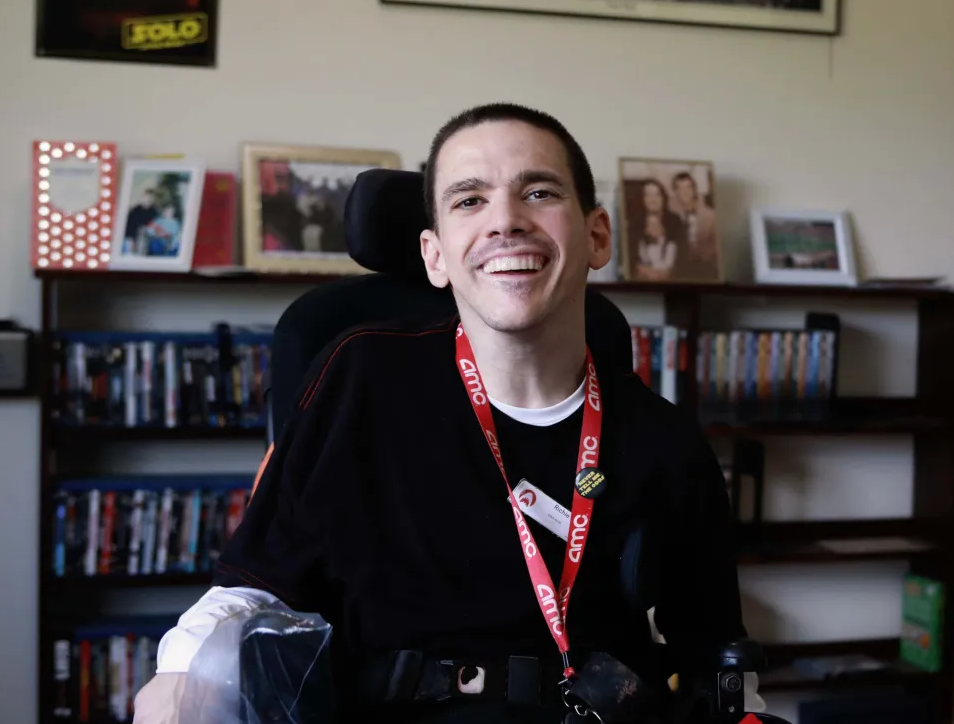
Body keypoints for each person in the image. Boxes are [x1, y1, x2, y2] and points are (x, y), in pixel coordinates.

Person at [133, 103, 751, 724]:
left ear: (596, 236)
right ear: (433, 255)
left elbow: (717, 658)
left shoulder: (666, 441)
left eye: (538, 192)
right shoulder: (361, 378)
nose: (505, 221)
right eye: (469, 200)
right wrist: (181, 676)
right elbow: (253, 587)